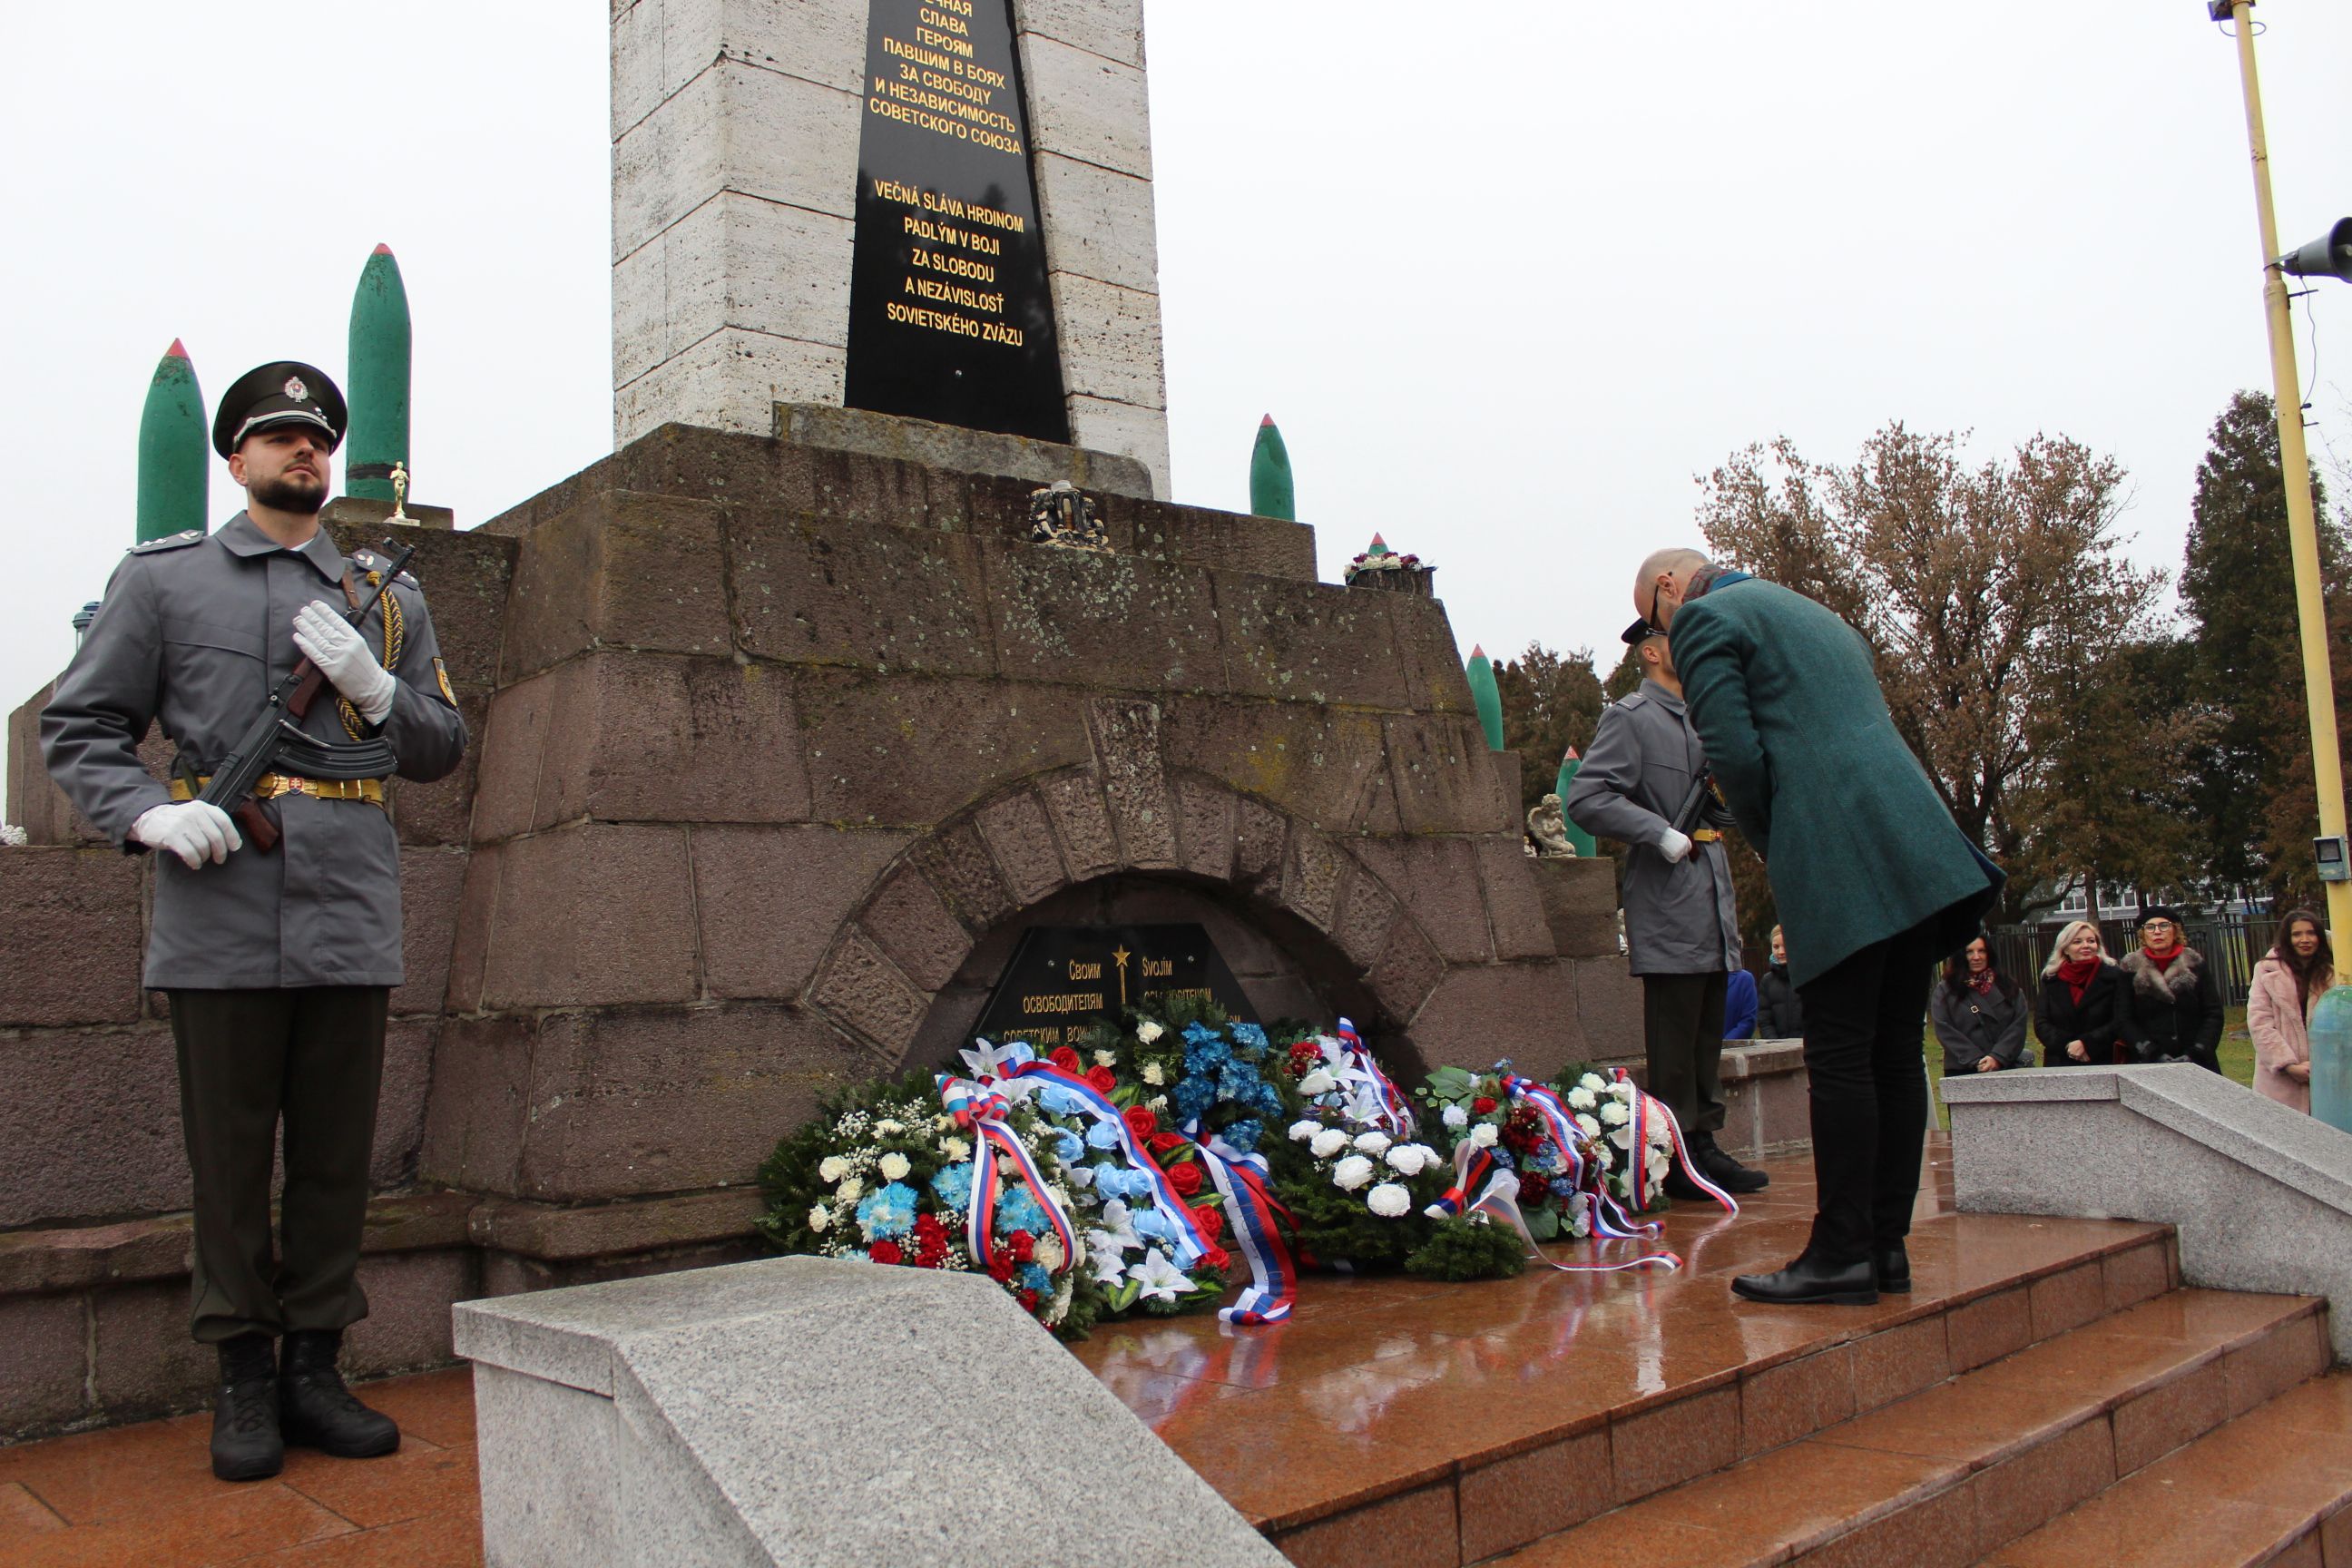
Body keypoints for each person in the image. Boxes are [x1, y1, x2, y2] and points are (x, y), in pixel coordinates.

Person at [40, 362, 467, 1483]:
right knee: (229, 1161)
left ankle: (315, 1367)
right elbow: (80, 726)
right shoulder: (165, 583)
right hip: (221, 901)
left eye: (317, 436)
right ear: (236, 460)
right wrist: (147, 815)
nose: (303, 451)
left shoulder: (385, 597)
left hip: (349, 907)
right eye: (278, 437)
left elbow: (439, 746)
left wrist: (375, 686)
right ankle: (241, 1372)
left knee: (334, 1158)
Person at [1639, 547, 2001, 1307]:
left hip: (1839, 848)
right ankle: (1883, 1249)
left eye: (1653, 619)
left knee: (1838, 1054)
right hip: (1915, 837)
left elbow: (1734, 753)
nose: (1663, 636)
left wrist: (1777, 840)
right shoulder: (1814, 614)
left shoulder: (1706, 618)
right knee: (1894, 1050)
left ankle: (1840, 1255)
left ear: (1670, 585)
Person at [1563, 618, 1769, 1196]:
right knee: (1675, 1035)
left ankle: (1704, 1144)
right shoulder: (1631, 718)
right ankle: (1675, 1154)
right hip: (1669, 894)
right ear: (1652, 652)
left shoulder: (1704, 716)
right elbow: (1587, 796)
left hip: (1711, 889)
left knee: (1706, 1029)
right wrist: (1656, 831)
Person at [2119, 906, 2225, 1073]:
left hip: (2197, 1062)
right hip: (2148, 1063)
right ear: (2143, 934)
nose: (2157, 932)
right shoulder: (2130, 969)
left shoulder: (2195, 964)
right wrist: (2151, 1052)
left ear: (2175, 931)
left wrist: (2198, 1051)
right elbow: (2124, 1018)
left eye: (2164, 925)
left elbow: (2213, 1013)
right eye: (2150, 927)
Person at [2248, 908, 2331, 1112]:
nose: (2305, 939)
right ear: (2287, 938)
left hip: (2327, 1078)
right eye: (2297, 934)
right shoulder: (2266, 970)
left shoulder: (2335, 972)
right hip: (2279, 1080)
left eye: (2311, 933)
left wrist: (2320, 1064)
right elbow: (2259, 1023)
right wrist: (2288, 1065)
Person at [1932, 932, 2032, 1075]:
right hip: (1962, 1070)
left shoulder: (2008, 986)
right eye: (1970, 952)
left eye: (1981, 951)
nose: (1976, 957)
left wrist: (1997, 1057)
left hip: (2005, 1067)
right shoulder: (1945, 991)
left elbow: (2018, 1026)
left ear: (1989, 954)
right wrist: (1976, 1060)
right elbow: (1944, 1029)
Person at [2034, 919, 2130, 1067]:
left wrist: (2087, 1044)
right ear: (2065, 948)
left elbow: (2122, 1019)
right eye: (2077, 942)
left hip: (2104, 1060)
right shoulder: (2051, 979)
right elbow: (2041, 1023)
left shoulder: (2115, 976)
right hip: (2060, 1061)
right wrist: (2069, 1045)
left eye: (2091, 941)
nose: (2086, 945)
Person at [1757, 924, 1804, 1039]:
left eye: (1785, 946)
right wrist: (1774, 1044)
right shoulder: (1767, 981)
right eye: (1776, 947)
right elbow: (1765, 1020)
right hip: (1776, 1046)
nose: (1781, 952)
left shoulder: (1807, 977)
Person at [1724, 966, 1759, 1041]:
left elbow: (1748, 1020)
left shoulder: (1744, 979)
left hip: (1732, 1045)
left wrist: (1725, 1043)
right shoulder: (1700, 980)